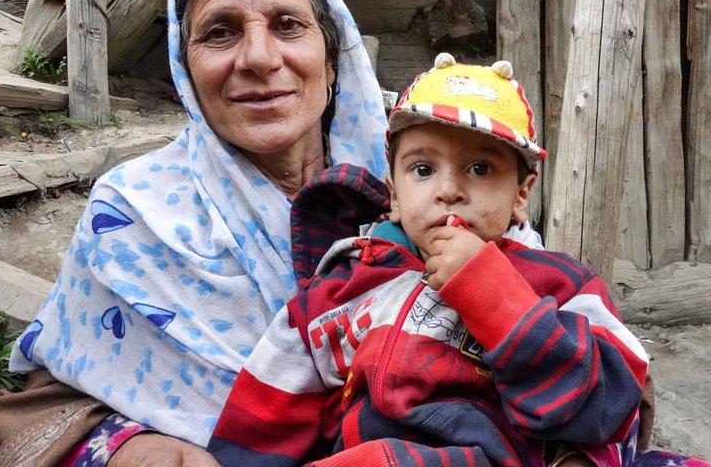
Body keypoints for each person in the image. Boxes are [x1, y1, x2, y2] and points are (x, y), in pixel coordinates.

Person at [0, 0, 389, 467]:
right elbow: (62, 392)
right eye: (220, 33)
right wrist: (131, 448)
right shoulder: (134, 211)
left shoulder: (419, 189)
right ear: (185, 70)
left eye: (288, 25)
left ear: (332, 58)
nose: (258, 57)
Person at [206, 54, 652, 466]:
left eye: (481, 168)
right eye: (423, 169)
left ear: (521, 195)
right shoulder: (346, 286)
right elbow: (269, 404)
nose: (449, 190)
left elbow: (615, 403)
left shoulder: (561, 283)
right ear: (394, 195)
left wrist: (496, 298)